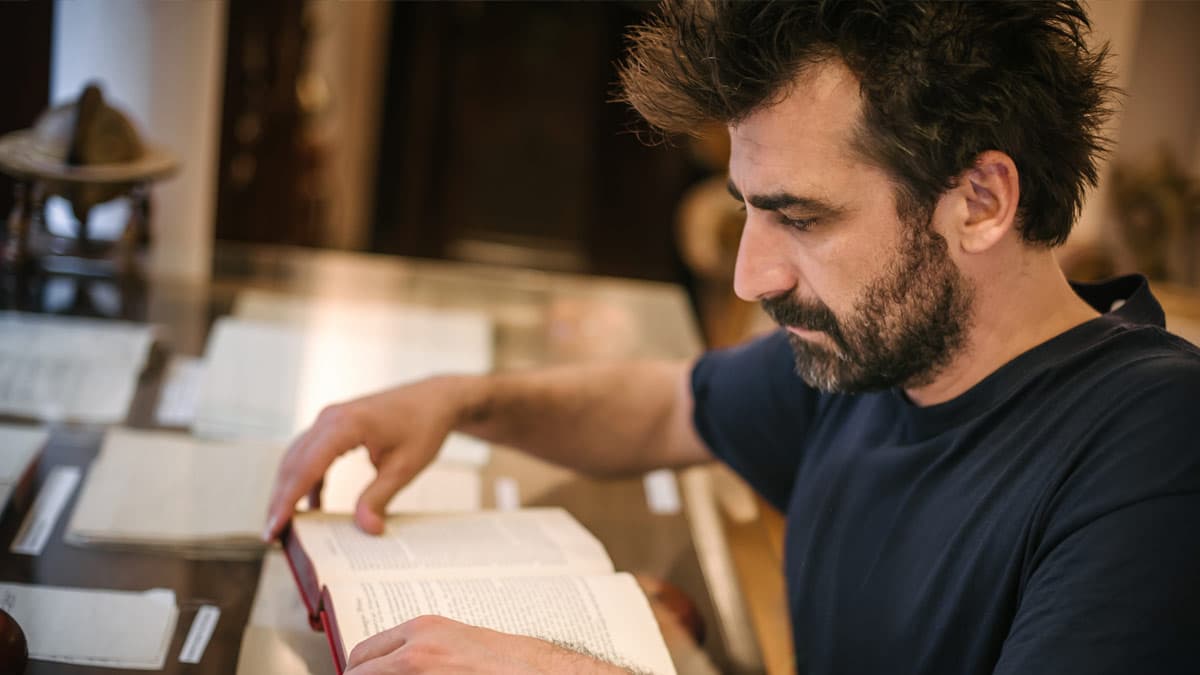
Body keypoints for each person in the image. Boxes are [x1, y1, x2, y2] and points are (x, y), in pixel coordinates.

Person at [264, 1, 1200, 673]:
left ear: (982, 201)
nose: (753, 276)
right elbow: (670, 405)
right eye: (749, 209)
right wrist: (459, 401)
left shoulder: (1157, 451)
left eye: (801, 217)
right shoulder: (881, 355)